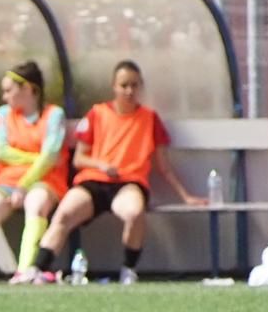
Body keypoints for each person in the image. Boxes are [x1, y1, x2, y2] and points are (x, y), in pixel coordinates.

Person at [21, 60, 206, 285]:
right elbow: (79, 158)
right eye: (124, 85)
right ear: (114, 87)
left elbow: (163, 166)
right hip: (94, 181)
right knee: (65, 213)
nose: (129, 91)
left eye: (134, 86)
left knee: (134, 212)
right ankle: (37, 268)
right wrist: (101, 165)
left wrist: (186, 196)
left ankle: (128, 269)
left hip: (129, 182)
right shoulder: (98, 113)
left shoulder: (149, 119)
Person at [0, 60, 67, 285]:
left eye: (9, 90)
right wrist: (35, 158)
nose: (4, 96)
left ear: (28, 89)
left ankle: (25, 270)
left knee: (36, 204)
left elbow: (50, 160)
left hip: (45, 178)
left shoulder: (54, 115)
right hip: (7, 179)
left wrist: (24, 184)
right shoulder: (3, 114)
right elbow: (1, 152)